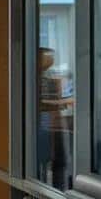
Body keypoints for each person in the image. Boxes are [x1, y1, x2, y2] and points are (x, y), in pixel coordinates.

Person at [36, 48, 74, 190]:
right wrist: (62, 103)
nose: (50, 59)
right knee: (41, 164)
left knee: (60, 162)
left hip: (56, 125)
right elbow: (40, 103)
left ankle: (59, 195)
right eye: (46, 56)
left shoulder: (49, 78)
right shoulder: (33, 79)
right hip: (43, 125)